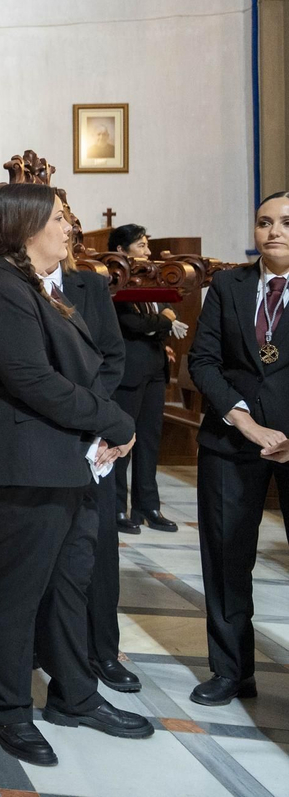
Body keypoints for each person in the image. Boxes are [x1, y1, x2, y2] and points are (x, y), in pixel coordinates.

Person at [0, 183, 151, 767]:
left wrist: (99, 427)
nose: (70, 228)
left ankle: (74, 695)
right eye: (60, 219)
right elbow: (34, 382)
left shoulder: (35, 287)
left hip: (65, 464)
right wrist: (114, 420)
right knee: (14, 594)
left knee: (69, 586)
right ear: (27, 225)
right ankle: (7, 710)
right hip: (23, 469)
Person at [185, 191, 289, 707]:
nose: (274, 231)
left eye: (287, 222)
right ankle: (231, 671)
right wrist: (244, 421)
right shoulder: (227, 285)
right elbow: (202, 361)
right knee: (227, 559)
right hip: (231, 440)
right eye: (264, 222)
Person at [53, 250, 143, 694]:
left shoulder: (89, 285)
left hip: (94, 434)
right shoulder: (10, 286)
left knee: (100, 546)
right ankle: (45, 646)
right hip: (40, 432)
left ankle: (103, 650)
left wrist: (93, 414)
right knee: (43, 550)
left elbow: (111, 355)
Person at [107, 223, 186, 533]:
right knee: (122, 441)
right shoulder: (116, 282)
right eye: (141, 245)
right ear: (122, 252)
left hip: (154, 368)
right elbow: (132, 323)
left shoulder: (150, 277)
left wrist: (161, 321)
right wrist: (163, 322)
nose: (147, 251)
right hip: (128, 372)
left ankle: (147, 506)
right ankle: (116, 509)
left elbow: (166, 309)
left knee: (149, 442)